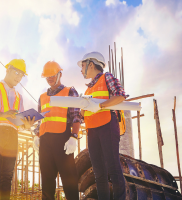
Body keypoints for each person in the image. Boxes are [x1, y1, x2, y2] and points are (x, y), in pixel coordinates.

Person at [0, 59, 35, 200]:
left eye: (21, 75)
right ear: (7, 69)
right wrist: (2, 114)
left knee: (7, 175)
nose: (18, 77)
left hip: (12, 135)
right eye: (16, 72)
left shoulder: (18, 96)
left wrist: (25, 126)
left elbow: (18, 122)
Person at [78, 52, 127, 200]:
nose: (81, 69)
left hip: (107, 126)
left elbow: (120, 96)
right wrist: (81, 110)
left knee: (113, 168)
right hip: (92, 130)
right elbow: (85, 114)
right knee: (99, 172)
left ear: (91, 65)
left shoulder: (107, 77)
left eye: (83, 65)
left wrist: (100, 105)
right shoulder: (87, 90)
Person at [33, 61, 80, 200]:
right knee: (47, 183)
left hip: (63, 141)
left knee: (69, 181)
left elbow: (76, 116)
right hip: (45, 143)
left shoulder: (70, 91)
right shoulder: (42, 97)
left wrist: (74, 137)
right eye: (47, 76)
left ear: (60, 74)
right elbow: (39, 120)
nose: (50, 78)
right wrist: (36, 135)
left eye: (52, 75)